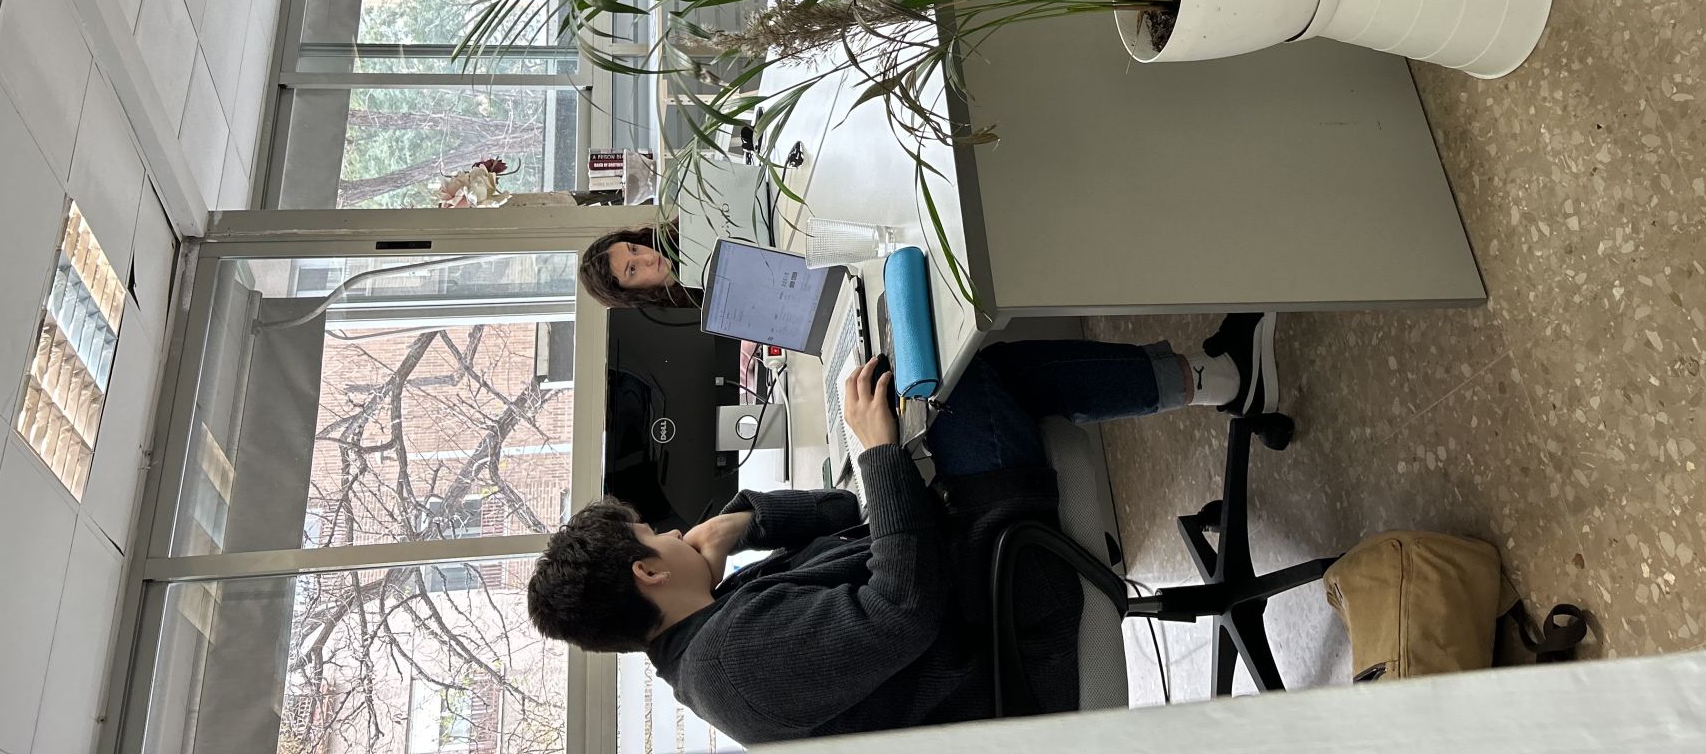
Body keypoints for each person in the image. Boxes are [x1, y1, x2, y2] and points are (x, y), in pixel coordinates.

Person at [526, 315, 1280, 741]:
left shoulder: (714, 625)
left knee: (951, 384)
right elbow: (902, 610)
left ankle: (1221, 379)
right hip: (1010, 621)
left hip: (971, 589)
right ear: (648, 573)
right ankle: (1229, 380)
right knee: (963, 381)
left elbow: (847, 516)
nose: (671, 532)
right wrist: (880, 455)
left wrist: (746, 522)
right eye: (654, 536)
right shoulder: (735, 665)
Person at [577, 224, 699, 311]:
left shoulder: (681, 229)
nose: (649, 258)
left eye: (634, 249)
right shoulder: (680, 321)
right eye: (632, 269)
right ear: (629, 293)